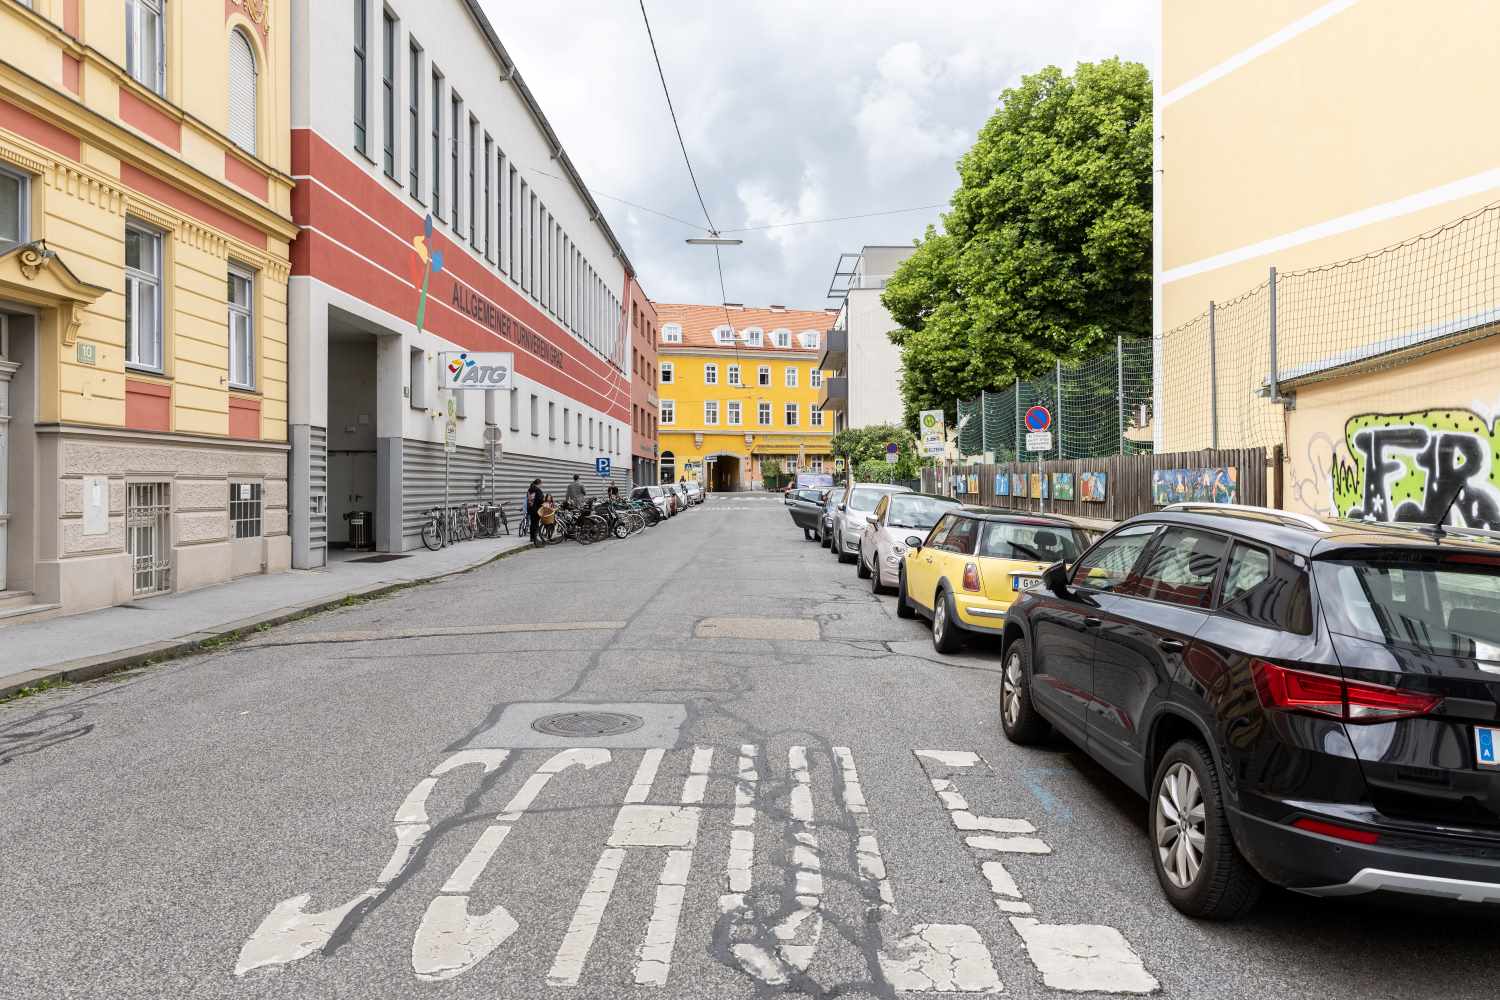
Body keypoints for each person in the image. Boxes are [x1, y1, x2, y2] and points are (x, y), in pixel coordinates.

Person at [526, 478, 544, 545]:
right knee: (536, 523)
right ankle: (535, 538)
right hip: (536, 509)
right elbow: (540, 500)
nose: (541, 485)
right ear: (538, 484)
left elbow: (527, 499)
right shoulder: (538, 490)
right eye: (541, 484)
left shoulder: (529, 489)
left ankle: (531, 537)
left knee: (532, 523)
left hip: (530, 508)